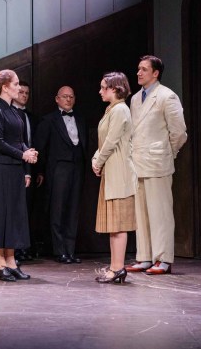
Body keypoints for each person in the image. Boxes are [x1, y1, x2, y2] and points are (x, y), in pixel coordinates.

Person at [126, 55, 187, 275]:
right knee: (141, 214)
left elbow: (179, 132)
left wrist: (168, 153)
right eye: (138, 69)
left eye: (144, 69)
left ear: (155, 73)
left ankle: (163, 259)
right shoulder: (135, 99)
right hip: (138, 162)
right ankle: (144, 256)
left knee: (160, 213)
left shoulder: (167, 96)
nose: (139, 73)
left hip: (158, 161)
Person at [0, 70, 38, 282]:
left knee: (14, 214)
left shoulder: (14, 112)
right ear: (5, 87)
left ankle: (12, 261)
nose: (18, 87)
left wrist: (27, 151)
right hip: (1, 168)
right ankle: (1, 263)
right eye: (15, 84)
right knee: (1, 215)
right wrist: (22, 155)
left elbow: (18, 139)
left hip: (14, 168)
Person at [92, 72, 138, 284]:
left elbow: (111, 141)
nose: (100, 91)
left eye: (104, 87)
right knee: (114, 225)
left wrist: (98, 161)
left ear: (115, 88)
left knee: (118, 224)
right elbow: (104, 142)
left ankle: (118, 268)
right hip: (111, 172)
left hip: (119, 173)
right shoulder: (112, 109)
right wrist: (96, 159)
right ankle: (114, 267)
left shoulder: (120, 110)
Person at [35, 86, 87, 264]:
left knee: (73, 210)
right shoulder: (49, 120)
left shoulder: (80, 119)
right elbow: (41, 147)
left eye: (71, 96)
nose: (68, 99)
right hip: (58, 169)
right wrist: (40, 171)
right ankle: (59, 251)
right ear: (57, 99)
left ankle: (70, 250)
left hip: (77, 168)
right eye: (65, 96)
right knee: (57, 210)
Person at [12, 81, 39, 261]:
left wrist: (35, 170)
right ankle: (13, 249)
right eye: (21, 92)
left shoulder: (31, 117)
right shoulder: (8, 114)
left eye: (27, 93)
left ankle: (24, 248)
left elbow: (33, 143)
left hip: (30, 167)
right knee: (14, 210)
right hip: (13, 165)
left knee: (27, 210)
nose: (24, 95)